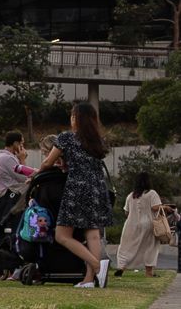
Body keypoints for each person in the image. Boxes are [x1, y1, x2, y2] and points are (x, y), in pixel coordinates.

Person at [54, 101, 113, 289]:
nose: (71, 120)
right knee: (93, 235)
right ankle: (89, 280)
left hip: (77, 189)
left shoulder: (66, 138)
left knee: (62, 235)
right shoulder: (98, 141)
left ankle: (96, 265)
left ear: (77, 119)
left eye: (73, 116)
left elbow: (48, 162)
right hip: (97, 189)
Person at [117, 172, 170, 279]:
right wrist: (166, 208)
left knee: (126, 246)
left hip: (131, 225)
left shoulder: (130, 196)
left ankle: (121, 268)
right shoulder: (152, 193)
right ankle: (149, 272)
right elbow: (155, 207)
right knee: (151, 247)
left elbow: (126, 213)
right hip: (148, 224)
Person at [0, 131, 37, 198]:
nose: (23, 147)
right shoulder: (8, 158)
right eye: (22, 143)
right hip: (13, 197)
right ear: (15, 143)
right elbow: (25, 178)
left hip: (6, 196)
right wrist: (22, 160)